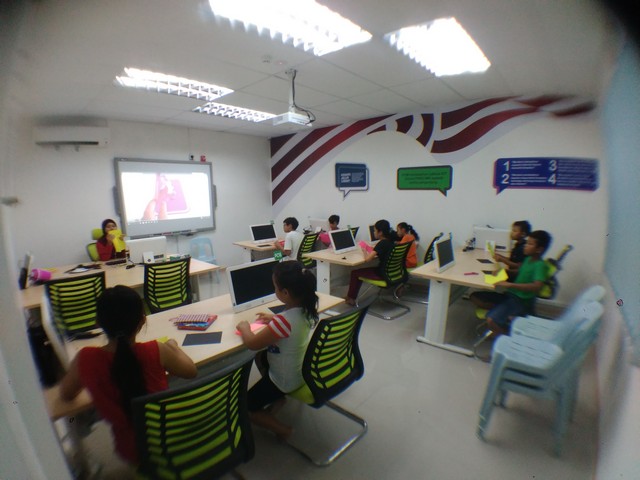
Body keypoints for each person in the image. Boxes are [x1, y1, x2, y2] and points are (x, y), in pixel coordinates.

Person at [59, 286, 197, 465]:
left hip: (131, 451)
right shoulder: (157, 350)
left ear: (98, 323)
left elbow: (66, 394)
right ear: (142, 321)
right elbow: (191, 371)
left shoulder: (85, 359)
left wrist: (92, 382)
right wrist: (172, 346)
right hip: (168, 438)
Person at [236, 261, 319, 440]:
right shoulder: (306, 309)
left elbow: (252, 344)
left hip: (284, 380)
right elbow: (290, 323)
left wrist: (244, 328)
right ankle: (277, 399)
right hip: (299, 369)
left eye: (275, 287)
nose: (274, 290)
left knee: (245, 407)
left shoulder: (283, 322)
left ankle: (284, 430)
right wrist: (275, 318)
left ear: (285, 293)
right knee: (261, 357)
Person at [469, 230, 552, 335]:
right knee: (474, 297)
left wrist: (510, 284)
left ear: (539, 249)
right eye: (527, 243)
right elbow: (520, 271)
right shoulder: (528, 259)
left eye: (530, 244)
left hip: (520, 301)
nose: (525, 246)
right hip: (510, 295)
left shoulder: (540, 265)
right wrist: (504, 271)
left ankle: (509, 336)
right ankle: (506, 314)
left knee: (491, 320)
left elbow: (537, 286)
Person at [345, 219, 396, 306]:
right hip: (393, 272)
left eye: (375, 230)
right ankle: (351, 297)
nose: (374, 232)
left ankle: (351, 299)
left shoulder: (382, 243)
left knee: (355, 273)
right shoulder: (391, 241)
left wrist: (364, 250)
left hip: (383, 274)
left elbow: (367, 259)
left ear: (380, 232)